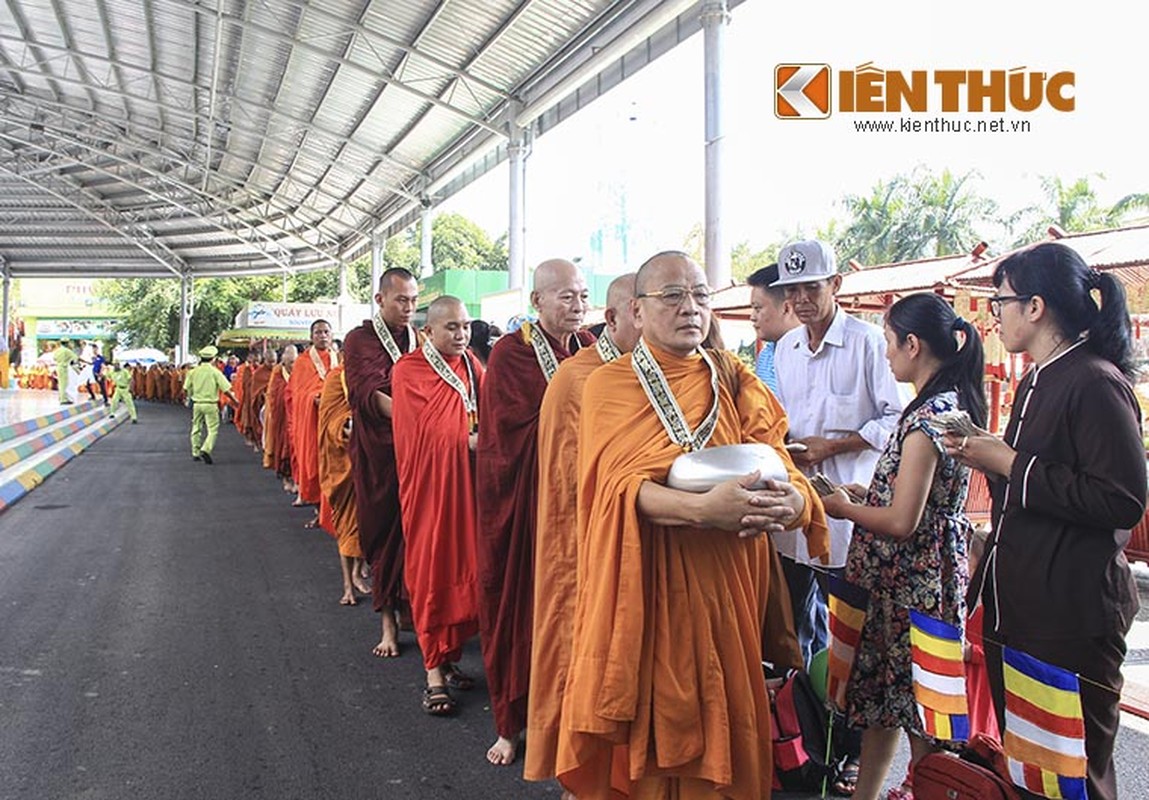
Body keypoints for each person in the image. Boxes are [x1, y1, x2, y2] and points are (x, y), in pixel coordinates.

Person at [555, 251, 828, 799]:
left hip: (732, 587)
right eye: (673, 296)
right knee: (665, 727)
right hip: (656, 589)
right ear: (637, 309)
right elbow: (613, 490)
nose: (690, 308)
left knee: (730, 718)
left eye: (701, 295)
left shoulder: (733, 376)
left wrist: (794, 505)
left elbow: (779, 458)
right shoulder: (611, 385)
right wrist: (704, 511)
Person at [947, 242, 1145, 800]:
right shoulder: (1039, 379)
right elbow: (1043, 479)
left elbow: (1122, 498)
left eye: (1001, 300)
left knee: (1073, 776)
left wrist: (1008, 462)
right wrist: (991, 453)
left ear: (1035, 307)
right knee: (1033, 775)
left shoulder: (1094, 380)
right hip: (1026, 612)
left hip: (1071, 618)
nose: (994, 314)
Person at [819, 292, 986, 800]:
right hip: (913, 580)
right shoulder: (942, 406)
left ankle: (928, 790)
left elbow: (902, 520)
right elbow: (914, 501)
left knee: (920, 714)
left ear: (913, 345)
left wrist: (844, 509)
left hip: (911, 586)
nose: (887, 354)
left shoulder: (927, 419)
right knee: (887, 704)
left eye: (890, 342)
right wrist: (865, 494)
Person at [476, 258, 595, 766]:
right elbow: (507, 436)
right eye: (566, 296)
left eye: (583, 295)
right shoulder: (510, 353)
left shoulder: (591, 348)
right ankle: (511, 722)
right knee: (518, 609)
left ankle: (569, 712)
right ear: (537, 302)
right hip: (523, 504)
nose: (578, 305)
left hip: (577, 503)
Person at [525, 272, 640, 783]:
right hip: (587, 545)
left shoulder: (670, 371)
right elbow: (574, 481)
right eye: (640, 312)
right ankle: (585, 775)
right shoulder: (579, 377)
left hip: (645, 539)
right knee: (586, 655)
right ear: (614, 318)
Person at [770, 240, 905, 670]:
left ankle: (844, 731)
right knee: (789, 631)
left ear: (835, 284)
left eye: (811, 288)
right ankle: (799, 725)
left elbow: (898, 420)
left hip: (849, 518)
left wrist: (834, 446)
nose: (801, 300)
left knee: (850, 635)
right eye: (792, 291)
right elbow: (780, 415)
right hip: (797, 509)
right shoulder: (787, 347)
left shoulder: (867, 344)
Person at [392, 296, 485, 717]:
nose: (461, 334)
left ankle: (449, 658)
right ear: (427, 331)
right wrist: (462, 441)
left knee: (466, 568)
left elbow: (491, 412)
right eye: (451, 327)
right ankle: (432, 672)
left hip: (467, 485)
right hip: (430, 490)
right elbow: (420, 433)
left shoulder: (472, 366)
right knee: (432, 570)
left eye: (465, 326)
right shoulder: (409, 370)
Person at [342, 268, 420, 659]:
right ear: (380, 300)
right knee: (384, 532)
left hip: (417, 450)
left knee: (416, 533)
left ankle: (411, 607)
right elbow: (367, 392)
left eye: (413, 301)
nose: (408, 308)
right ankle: (387, 621)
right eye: (401, 300)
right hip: (378, 452)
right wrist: (416, 417)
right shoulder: (360, 340)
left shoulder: (419, 339)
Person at [317, 363, 371, 606]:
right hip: (342, 463)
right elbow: (329, 420)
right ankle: (347, 585)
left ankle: (358, 572)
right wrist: (346, 425)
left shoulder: (369, 374)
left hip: (368, 462)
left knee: (366, 525)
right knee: (347, 526)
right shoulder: (336, 377)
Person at [289, 320, 338, 525]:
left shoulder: (340, 358)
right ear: (311, 336)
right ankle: (320, 512)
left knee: (336, 467)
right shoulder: (302, 362)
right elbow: (296, 393)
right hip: (312, 422)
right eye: (318, 332)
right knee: (316, 464)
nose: (323, 336)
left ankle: (335, 513)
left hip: (334, 420)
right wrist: (313, 398)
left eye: (326, 332)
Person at [747, 263, 799, 394]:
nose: (752, 317)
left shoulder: (812, 356)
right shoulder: (766, 355)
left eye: (758, 308)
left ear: (786, 308)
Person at [184, 345, 238, 464]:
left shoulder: (192, 372)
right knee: (212, 429)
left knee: (196, 427)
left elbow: (186, 388)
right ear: (213, 359)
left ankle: (195, 452)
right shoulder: (215, 372)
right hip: (211, 404)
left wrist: (188, 398)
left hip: (197, 404)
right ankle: (206, 448)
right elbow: (226, 390)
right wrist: (235, 401)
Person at [53, 340, 77, 404]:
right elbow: (75, 358)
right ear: (67, 343)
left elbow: (54, 358)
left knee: (60, 383)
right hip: (64, 368)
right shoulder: (67, 351)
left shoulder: (57, 350)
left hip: (58, 367)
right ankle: (63, 399)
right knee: (64, 384)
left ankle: (61, 397)